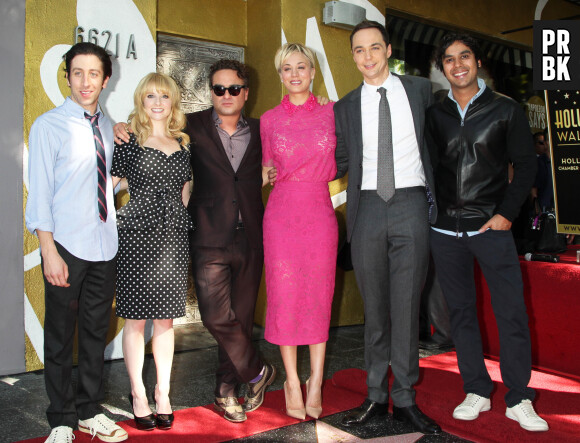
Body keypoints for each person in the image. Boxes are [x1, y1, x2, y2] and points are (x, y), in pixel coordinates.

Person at [114, 59, 275, 424]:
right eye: (219, 88)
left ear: (245, 92)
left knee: (241, 318)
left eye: (234, 88)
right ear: (210, 92)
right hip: (205, 238)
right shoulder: (192, 127)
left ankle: (225, 391)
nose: (227, 94)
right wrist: (120, 126)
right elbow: (147, 134)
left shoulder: (263, 129)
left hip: (249, 236)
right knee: (217, 316)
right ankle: (257, 371)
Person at [426, 33, 548, 432]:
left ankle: (518, 397)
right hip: (445, 230)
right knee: (460, 314)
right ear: (442, 67)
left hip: (491, 228)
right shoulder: (434, 112)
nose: (457, 64)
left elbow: (526, 167)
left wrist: (506, 215)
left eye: (464, 56)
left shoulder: (505, 109)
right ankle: (476, 388)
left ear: (477, 62)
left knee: (511, 312)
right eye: (449, 59)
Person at [334, 20, 441, 434]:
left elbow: (444, 143)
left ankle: (406, 399)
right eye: (359, 50)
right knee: (375, 310)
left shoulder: (420, 91)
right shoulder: (344, 107)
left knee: (406, 309)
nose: (367, 57)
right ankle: (376, 395)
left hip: (412, 204)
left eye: (374, 47)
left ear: (388, 49)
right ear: (354, 56)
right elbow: (339, 162)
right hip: (367, 213)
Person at [25, 42, 128, 443]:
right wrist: (48, 250)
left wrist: (130, 176)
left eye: (94, 74)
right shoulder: (48, 125)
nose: (86, 82)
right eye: (78, 73)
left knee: (93, 333)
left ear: (106, 79)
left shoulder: (109, 125)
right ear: (67, 77)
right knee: (60, 335)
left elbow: (102, 182)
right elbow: (42, 195)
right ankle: (62, 419)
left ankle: (89, 410)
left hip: (104, 244)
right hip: (65, 246)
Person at [111, 73, 193, 431]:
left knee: (165, 321)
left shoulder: (183, 142)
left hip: (173, 239)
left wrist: (178, 222)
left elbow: (185, 190)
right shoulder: (129, 139)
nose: (157, 102)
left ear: (172, 101)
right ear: (140, 101)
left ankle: (162, 393)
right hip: (136, 236)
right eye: (149, 96)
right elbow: (109, 186)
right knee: (135, 319)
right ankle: (138, 394)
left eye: (163, 95)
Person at [260, 43, 337, 420]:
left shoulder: (332, 113)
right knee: (285, 297)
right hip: (281, 215)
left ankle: (316, 379)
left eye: (301, 66)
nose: (294, 74)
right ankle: (291, 380)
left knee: (319, 296)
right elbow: (265, 168)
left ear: (312, 71)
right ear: (280, 75)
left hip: (319, 212)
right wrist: (265, 174)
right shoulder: (269, 120)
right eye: (286, 68)